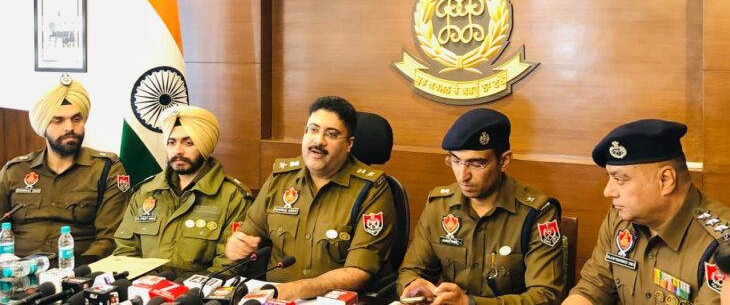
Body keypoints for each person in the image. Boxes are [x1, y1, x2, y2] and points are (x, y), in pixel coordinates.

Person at [225, 96, 396, 300]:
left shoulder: (372, 190)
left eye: (331, 134)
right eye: (313, 130)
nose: (318, 141)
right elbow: (249, 232)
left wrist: (298, 289)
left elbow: (360, 271)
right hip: (273, 297)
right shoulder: (281, 178)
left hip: (331, 301)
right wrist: (237, 244)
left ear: (349, 144)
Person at [397, 108, 565, 305]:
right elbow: (411, 270)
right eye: (456, 161)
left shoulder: (537, 213)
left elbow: (546, 296)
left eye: (476, 164)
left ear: (504, 160)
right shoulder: (440, 205)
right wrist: (413, 285)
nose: (462, 176)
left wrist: (470, 303)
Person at [565, 119, 730, 304]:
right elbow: (592, 288)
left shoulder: (722, 245)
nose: (608, 191)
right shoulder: (619, 219)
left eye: (620, 180)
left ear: (665, 180)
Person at [114, 104, 253, 276]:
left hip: (197, 290)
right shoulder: (146, 191)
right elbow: (125, 250)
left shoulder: (233, 197)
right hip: (143, 288)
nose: (178, 151)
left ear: (205, 146)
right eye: (171, 142)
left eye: (188, 143)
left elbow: (227, 265)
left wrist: (181, 288)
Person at [0, 76, 128, 259]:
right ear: (43, 126)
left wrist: (77, 271)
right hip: (15, 269)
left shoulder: (107, 169)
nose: (69, 127)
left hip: (79, 270)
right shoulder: (15, 171)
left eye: (76, 119)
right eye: (58, 121)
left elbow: (108, 240)